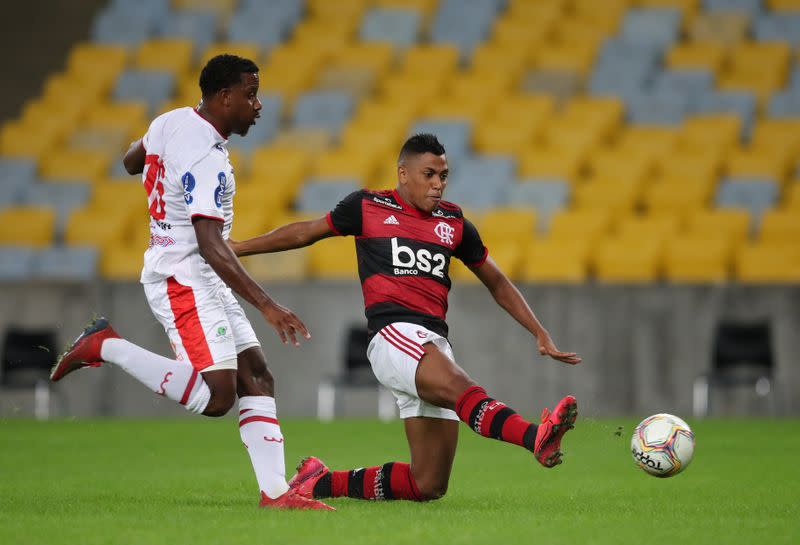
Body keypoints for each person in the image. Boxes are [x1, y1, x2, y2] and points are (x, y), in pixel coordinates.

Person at [229, 133, 582, 503]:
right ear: (403, 173)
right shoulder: (367, 206)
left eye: (443, 175)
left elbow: (496, 280)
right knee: (462, 388)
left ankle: (320, 481)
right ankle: (534, 437)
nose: (438, 185)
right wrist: (240, 247)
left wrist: (539, 332)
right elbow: (306, 232)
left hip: (431, 344)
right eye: (429, 174)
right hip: (393, 336)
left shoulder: (454, 222)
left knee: (427, 484)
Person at [49, 54, 332, 511]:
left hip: (197, 273)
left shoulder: (172, 121)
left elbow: (129, 161)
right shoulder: (206, 157)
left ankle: (277, 494)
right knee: (219, 396)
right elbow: (209, 243)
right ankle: (106, 345)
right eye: (251, 95)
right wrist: (267, 304)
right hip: (183, 277)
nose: (258, 106)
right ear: (224, 97)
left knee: (257, 376)